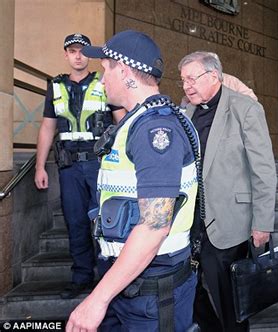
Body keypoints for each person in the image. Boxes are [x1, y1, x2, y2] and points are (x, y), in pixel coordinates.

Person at [65, 29, 199, 331]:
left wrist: (97, 300)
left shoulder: (155, 130)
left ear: (124, 72)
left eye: (105, 70)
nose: (101, 80)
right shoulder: (140, 120)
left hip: (151, 292)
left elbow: (155, 226)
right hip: (131, 282)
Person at [178, 51, 277, 331]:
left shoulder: (245, 109)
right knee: (189, 291)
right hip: (189, 222)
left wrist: (262, 223)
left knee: (230, 304)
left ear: (213, 76)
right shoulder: (184, 112)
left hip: (230, 222)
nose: (186, 86)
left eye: (192, 78)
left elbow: (264, 170)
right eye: (183, 80)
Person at [34, 33, 125, 299]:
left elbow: (122, 122)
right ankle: (82, 277)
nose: (78, 55)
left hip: (100, 166)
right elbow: (47, 128)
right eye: (72, 51)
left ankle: (109, 279)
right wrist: (40, 166)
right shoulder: (56, 86)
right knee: (75, 223)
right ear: (65, 54)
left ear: (90, 55)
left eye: (82, 50)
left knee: (105, 222)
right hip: (69, 168)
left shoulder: (105, 82)